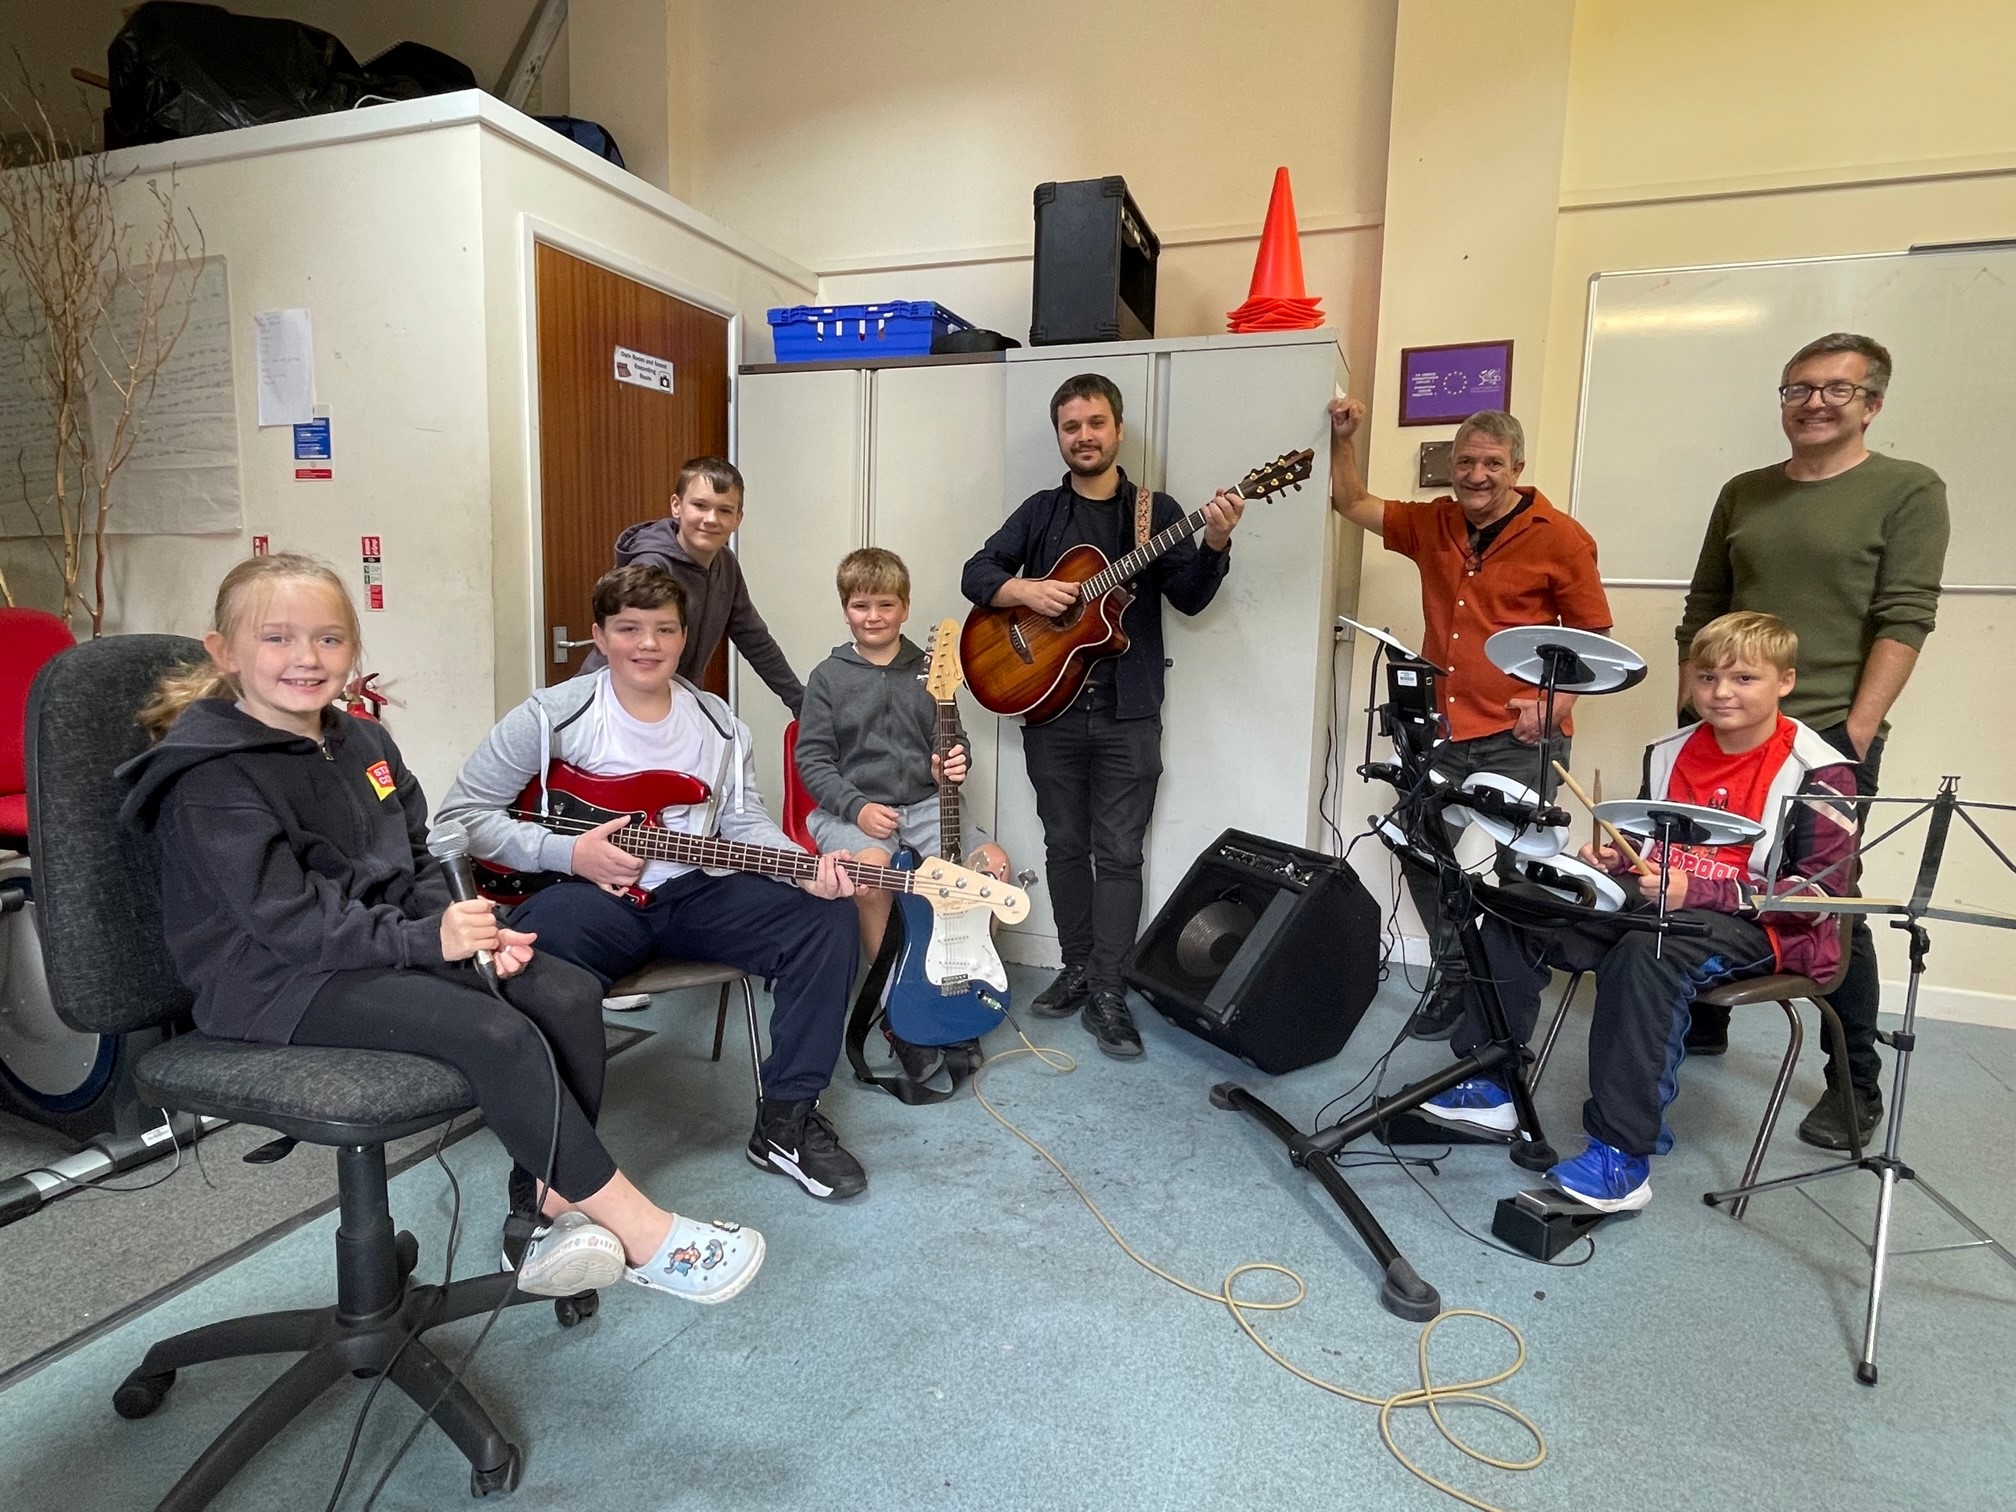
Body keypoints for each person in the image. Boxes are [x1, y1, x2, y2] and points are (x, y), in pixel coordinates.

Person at [118, 555, 762, 1306]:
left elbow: (421, 854)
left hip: (374, 945)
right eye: (277, 639)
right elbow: (286, 923)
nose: (306, 659)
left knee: (560, 987)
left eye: (329, 640)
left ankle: (550, 1203)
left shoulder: (364, 744)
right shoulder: (211, 777)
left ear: (353, 649)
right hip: (272, 979)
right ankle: (645, 1233)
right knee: (495, 1031)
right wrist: (432, 943)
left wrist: (471, 928)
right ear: (224, 652)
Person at [438, 563, 868, 1202]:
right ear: (600, 635)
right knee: (538, 966)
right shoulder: (551, 715)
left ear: (684, 636)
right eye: (629, 628)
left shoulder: (719, 723)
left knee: (827, 920)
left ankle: (786, 1121)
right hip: (585, 896)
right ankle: (554, 1169)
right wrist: (568, 853)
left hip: (695, 888)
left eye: (664, 629)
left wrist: (804, 868)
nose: (647, 643)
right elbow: (459, 820)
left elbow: (741, 818)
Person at [1422, 612, 1860, 1212]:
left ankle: (1622, 1158)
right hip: (1662, 903)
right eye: (1707, 677)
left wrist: (1697, 893)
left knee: (1647, 953)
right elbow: (1652, 852)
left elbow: (1819, 899)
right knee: (1519, 903)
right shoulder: (1670, 751)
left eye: (1743, 678)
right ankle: (1492, 1081)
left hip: (1762, 928)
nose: (1721, 692)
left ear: (1785, 681)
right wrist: (1615, 863)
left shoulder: (1821, 770)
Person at [1677, 332, 1949, 1152]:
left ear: (1872, 403)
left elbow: (1906, 616)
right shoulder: (1745, 491)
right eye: (1798, 389)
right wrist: (1694, 712)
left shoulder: (1907, 488)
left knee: (1825, 906)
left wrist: (1854, 735)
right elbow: (1704, 604)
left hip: (1829, 723)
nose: (1815, 402)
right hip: (1724, 720)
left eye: (1837, 389)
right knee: (1695, 861)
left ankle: (1853, 1084)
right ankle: (1701, 1017)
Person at [960, 373, 1244, 1058]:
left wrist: (1213, 545)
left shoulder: (1154, 512)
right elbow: (977, 572)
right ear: (1061, 436)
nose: (1083, 436)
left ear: (1117, 429)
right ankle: (1078, 967)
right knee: (1064, 846)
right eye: (1070, 426)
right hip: (1049, 708)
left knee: (1118, 854)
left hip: (1128, 713)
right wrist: (1025, 588)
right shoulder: (1041, 512)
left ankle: (1111, 989)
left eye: (1095, 424)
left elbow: (1190, 599)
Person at [1328, 397, 1613, 1039]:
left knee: (1521, 876)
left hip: (1520, 737)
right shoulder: (1434, 523)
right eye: (1465, 461)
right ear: (1450, 467)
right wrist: (1344, 439)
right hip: (1443, 732)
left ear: (1516, 466)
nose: (1477, 474)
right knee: (1419, 847)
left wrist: (1555, 702)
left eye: (1491, 463)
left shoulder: (1561, 536)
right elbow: (1351, 503)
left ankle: (1507, 1008)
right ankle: (1459, 969)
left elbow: (1593, 637)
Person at [795, 546, 1011, 962]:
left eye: (885, 605)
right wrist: (857, 808)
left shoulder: (932, 667)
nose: (873, 616)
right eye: (860, 605)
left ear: (905, 608)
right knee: (873, 875)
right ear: (845, 611)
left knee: (995, 870)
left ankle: (965, 970)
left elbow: (954, 740)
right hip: (852, 812)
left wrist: (951, 760)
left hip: (927, 805)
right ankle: (894, 987)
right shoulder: (827, 676)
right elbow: (813, 761)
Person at [581, 456, 804, 716]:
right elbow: (635, 653)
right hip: (613, 705)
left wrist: (799, 701)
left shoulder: (725, 563)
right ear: (677, 506)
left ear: (738, 519)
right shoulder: (650, 567)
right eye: (700, 505)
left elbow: (755, 639)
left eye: (724, 510)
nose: (711, 519)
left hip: (672, 705)